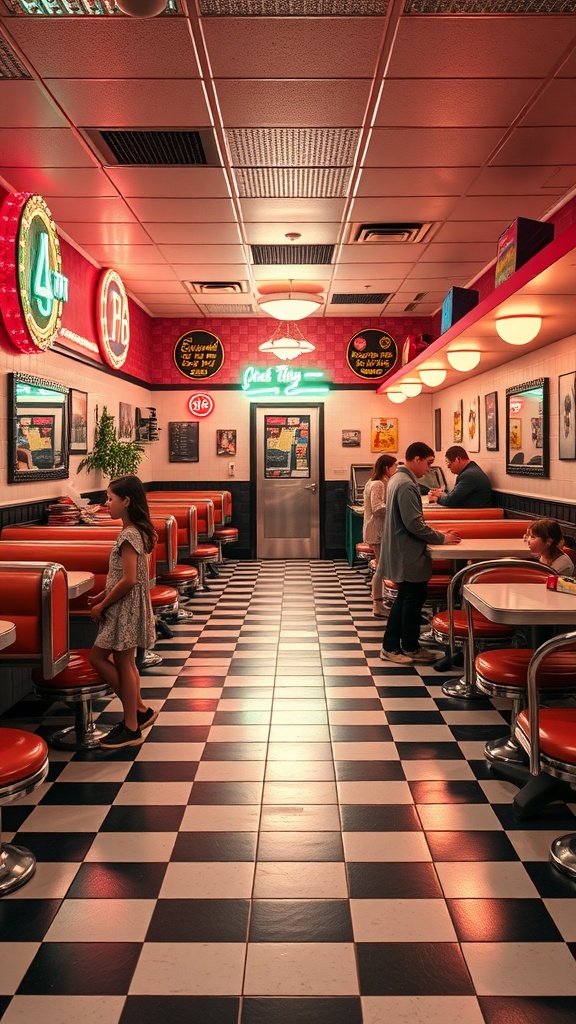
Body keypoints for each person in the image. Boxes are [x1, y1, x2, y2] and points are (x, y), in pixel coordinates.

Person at [88, 475, 158, 749]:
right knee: (124, 662)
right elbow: (123, 576)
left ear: (126, 501)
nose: (106, 504)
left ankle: (131, 726)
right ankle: (138, 710)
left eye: (110, 498)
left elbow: (129, 579)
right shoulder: (137, 530)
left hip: (124, 607)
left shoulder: (129, 534)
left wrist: (102, 605)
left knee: (102, 658)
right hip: (126, 604)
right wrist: (102, 594)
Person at [380, 442, 461, 665]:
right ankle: (395, 647)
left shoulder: (397, 479)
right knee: (410, 598)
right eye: (428, 463)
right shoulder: (406, 484)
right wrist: (441, 537)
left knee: (408, 598)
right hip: (408, 552)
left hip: (402, 550)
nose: (428, 469)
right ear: (416, 459)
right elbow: (414, 524)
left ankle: (407, 646)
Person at [363, 454, 397, 618]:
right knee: (381, 567)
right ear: (386, 468)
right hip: (377, 530)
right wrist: (396, 505)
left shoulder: (373, 482)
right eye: (394, 466)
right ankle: (377, 604)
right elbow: (377, 508)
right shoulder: (378, 484)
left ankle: (380, 601)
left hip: (375, 529)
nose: (396, 470)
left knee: (381, 566)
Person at [428, 445, 493, 508]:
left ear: (457, 459)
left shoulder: (469, 475)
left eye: (449, 464)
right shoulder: (472, 471)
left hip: (474, 515)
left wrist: (436, 498)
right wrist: (442, 494)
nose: (449, 468)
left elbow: (450, 501)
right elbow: (453, 497)